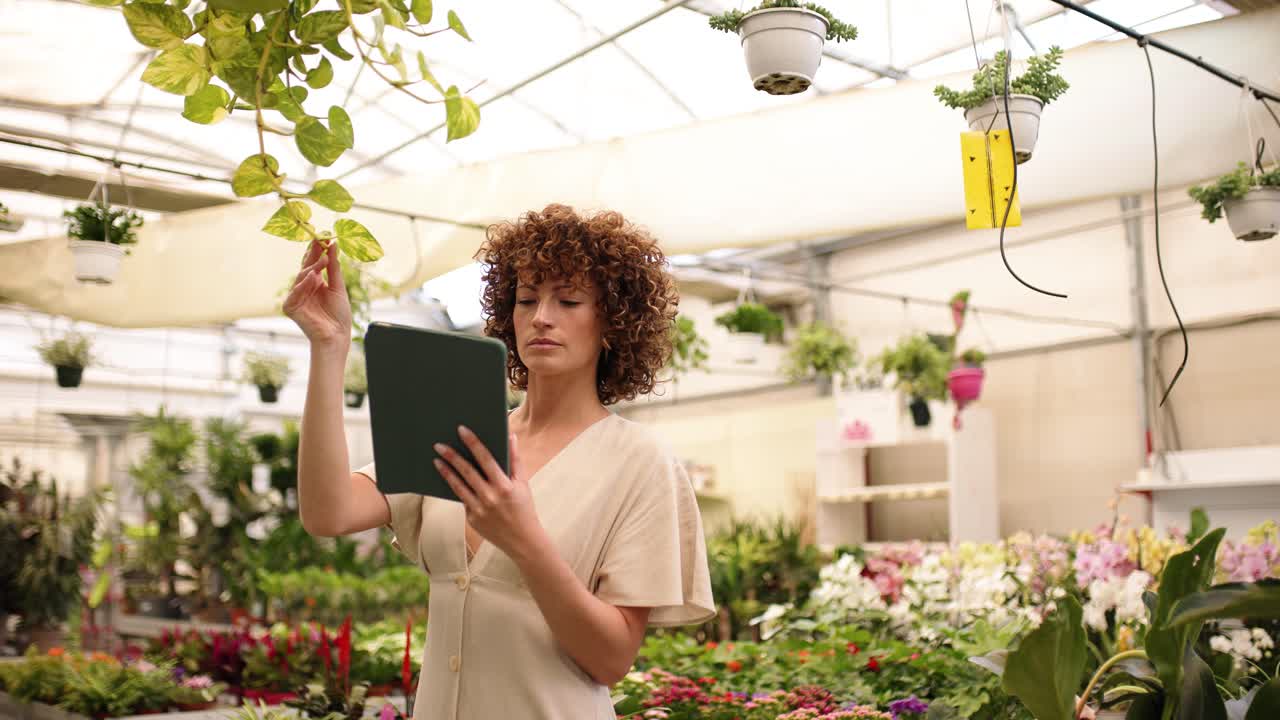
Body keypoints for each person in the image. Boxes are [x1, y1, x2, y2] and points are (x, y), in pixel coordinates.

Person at [284, 204, 716, 719]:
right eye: (527, 299)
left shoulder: (641, 464)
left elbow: (612, 659)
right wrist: (329, 347)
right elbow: (327, 512)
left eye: (569, 300)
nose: (541, 317)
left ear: (613, 324)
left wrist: (523, 540)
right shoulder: (461, 430)